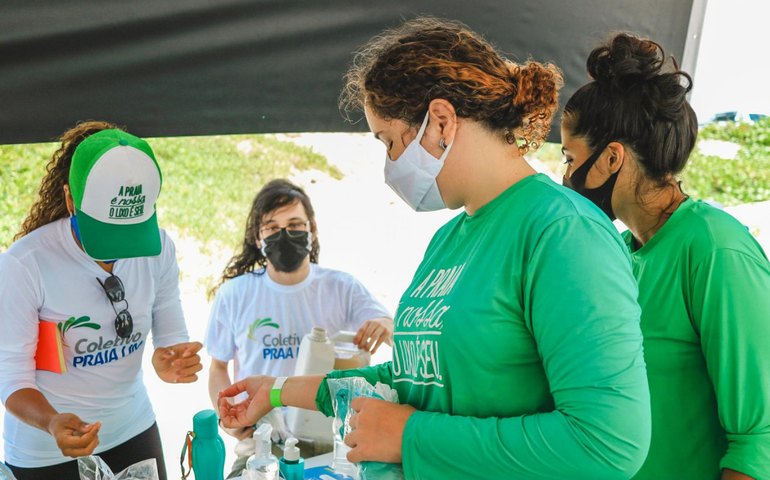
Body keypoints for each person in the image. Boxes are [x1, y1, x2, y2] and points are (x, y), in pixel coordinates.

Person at [218, 17, 652, 479]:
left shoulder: (563, 233)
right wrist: (278, 391)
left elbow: (607, 443)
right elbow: (412, 381)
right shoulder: (450, 239)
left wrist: (411, 437)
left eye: (389, 142)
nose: (389, 166)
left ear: (441, 122)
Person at [561, 33, 770, 480]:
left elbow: (760, 441)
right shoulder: (616, 255)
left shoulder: (714, 248)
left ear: (611, 158)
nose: (565, 177)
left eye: (569, 158)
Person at [0, 121, 203, 480]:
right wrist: (50, 422)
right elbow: (11, 378)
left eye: (130, 234)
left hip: (132, 427)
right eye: (106, 233)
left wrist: (168, 361)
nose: (117, 251)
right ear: (70, 200)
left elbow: (170, 338)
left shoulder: (159, 248)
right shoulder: (25, 265)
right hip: (47, 448)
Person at [204, 178, 393, 476]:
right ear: (257, 237)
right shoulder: (235, 294)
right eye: (272, 228)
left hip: (331, 440)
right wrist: (226, 415)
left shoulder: (340, 287)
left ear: (312, 229)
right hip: (261, 439)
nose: (284, 236)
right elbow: (217, 367)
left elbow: (395, 335)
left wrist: (385, 325)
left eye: (294, 225)